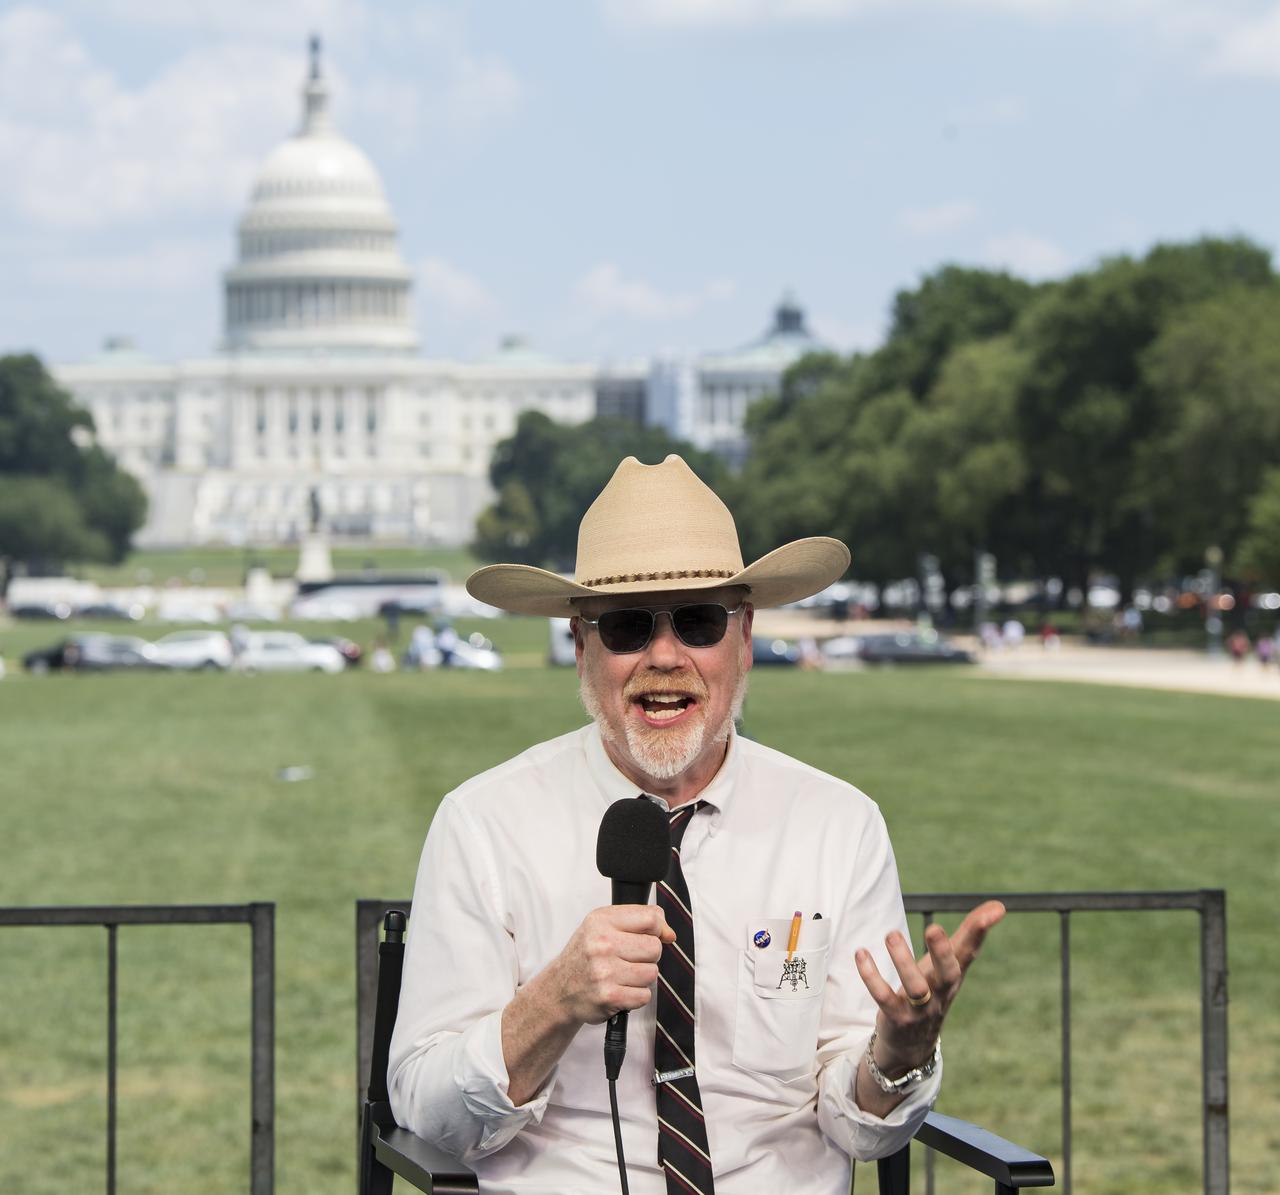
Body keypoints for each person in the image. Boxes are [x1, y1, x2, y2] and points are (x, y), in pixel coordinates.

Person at [388, 455, 1003, 1195]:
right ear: (581, 649)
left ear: (744, 640)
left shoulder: (838, 824)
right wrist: (552, 1002)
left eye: (700, 620)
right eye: (626, 627)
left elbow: (858, 1124)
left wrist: (898, 1054)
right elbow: (426, 1114)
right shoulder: (485, 823)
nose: (665, 657)